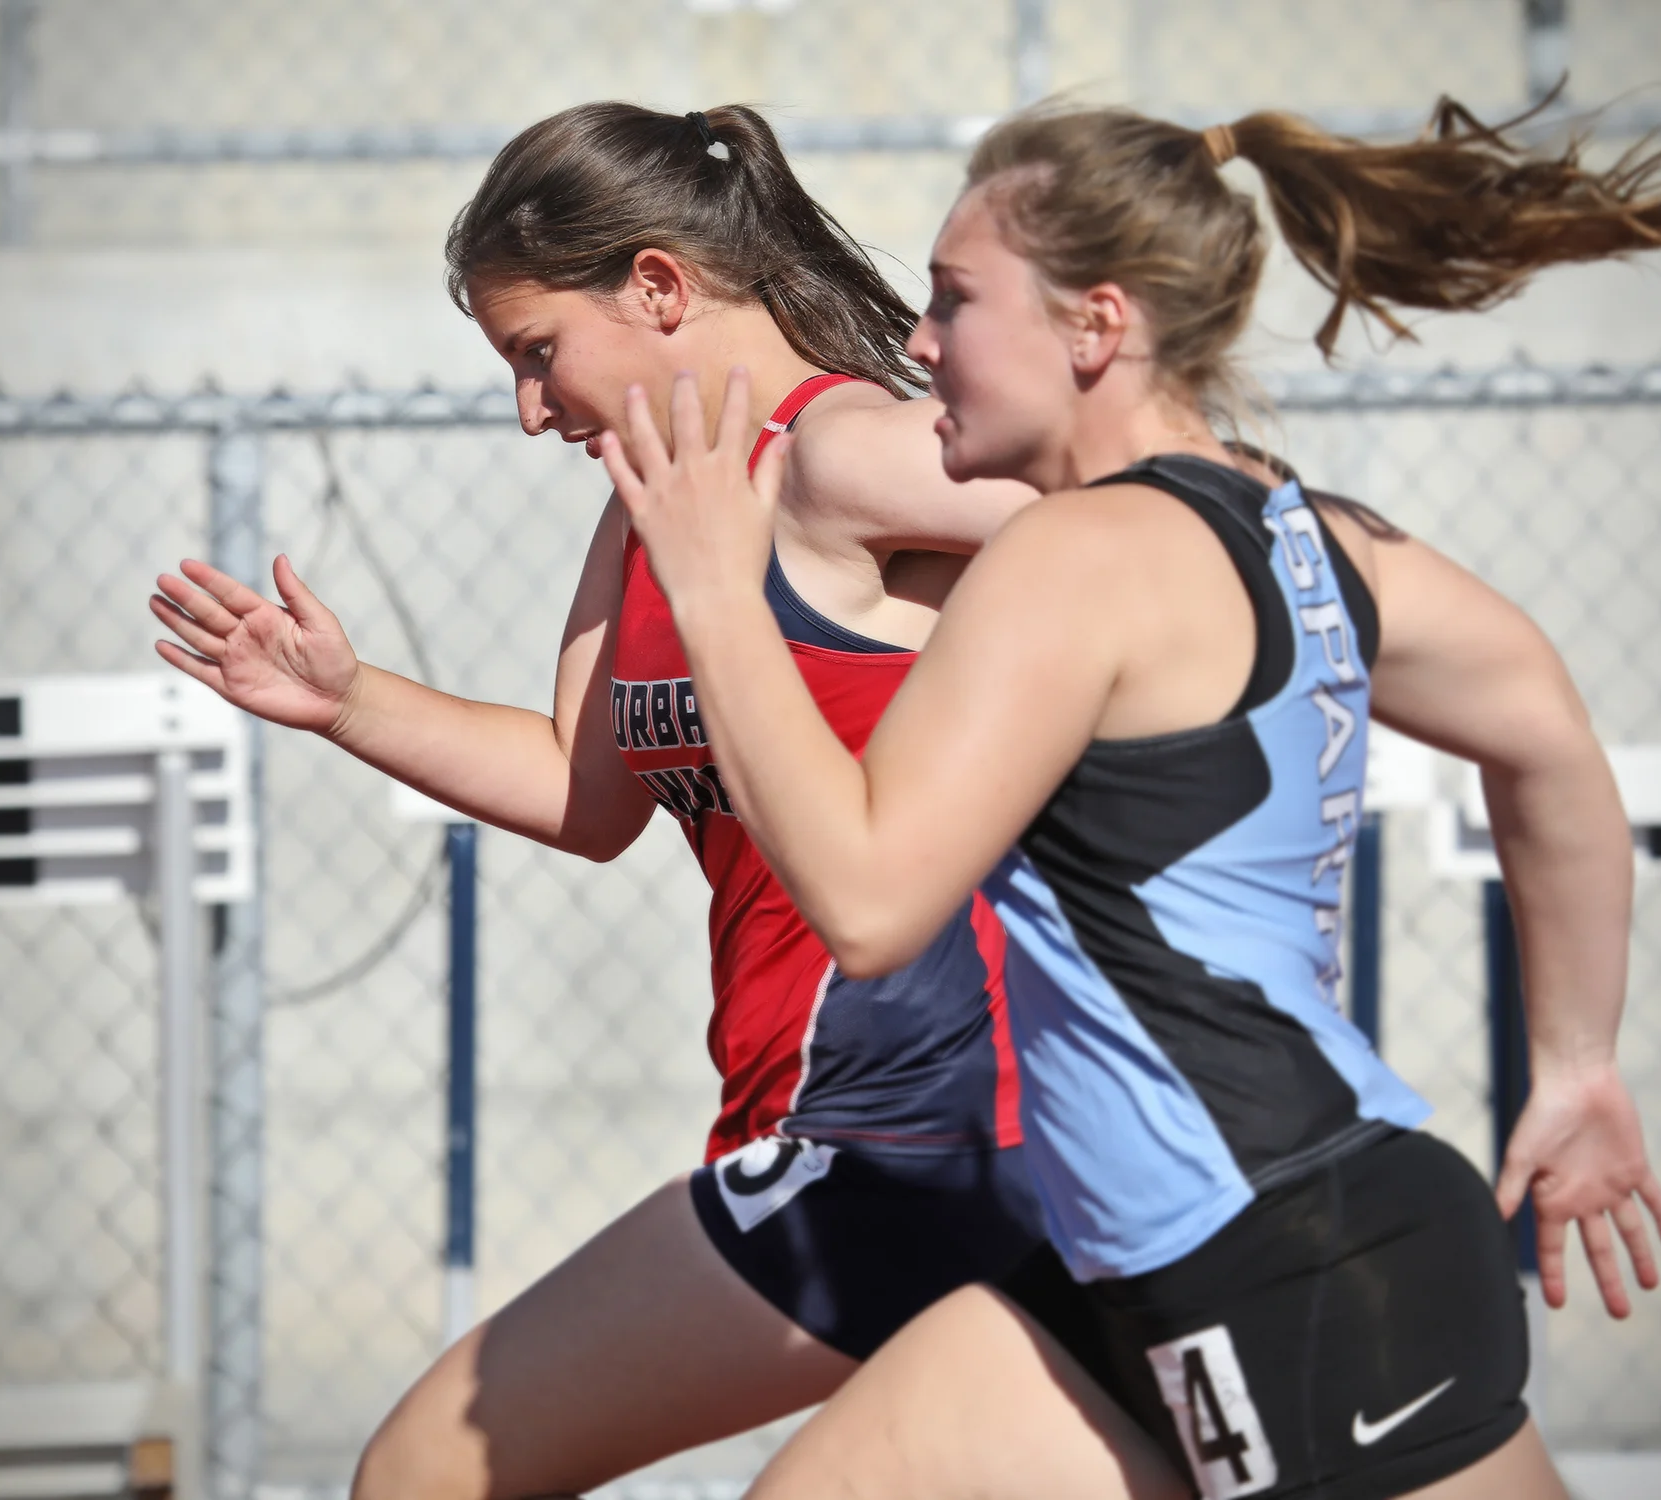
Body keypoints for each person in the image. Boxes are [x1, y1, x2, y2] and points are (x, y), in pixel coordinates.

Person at [604, 99, 1661, 1499]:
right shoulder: (1306, 527)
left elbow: (865, 902)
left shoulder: (1077, 558)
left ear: (1093, 328)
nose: (918, 344)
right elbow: (1547, 739)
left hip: (1286, 1261)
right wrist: (1575, 1061)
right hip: (1147, 1260)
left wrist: (716, 595)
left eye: (956, 302)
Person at [148, 102, 1045, 1500]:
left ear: (658, 286)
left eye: (537, 354)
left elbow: (1161, 530)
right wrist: (344, 699)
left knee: (425, 1472)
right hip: (803, 1114)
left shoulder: (844, 452)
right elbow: (589, 794)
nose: (530, 408)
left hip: (929, 1123)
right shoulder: (648, 513)